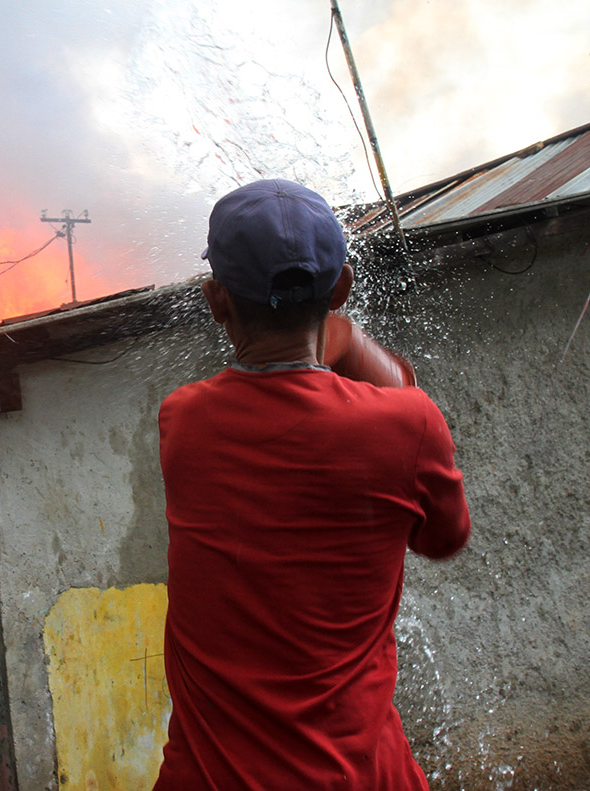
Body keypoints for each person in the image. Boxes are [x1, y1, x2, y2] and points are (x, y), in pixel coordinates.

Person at [154, 179, 471, 791]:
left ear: (216, 300)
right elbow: (444, 538)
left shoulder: (183, 422)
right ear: (344, 288)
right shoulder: (408, 425)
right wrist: (352, 343)